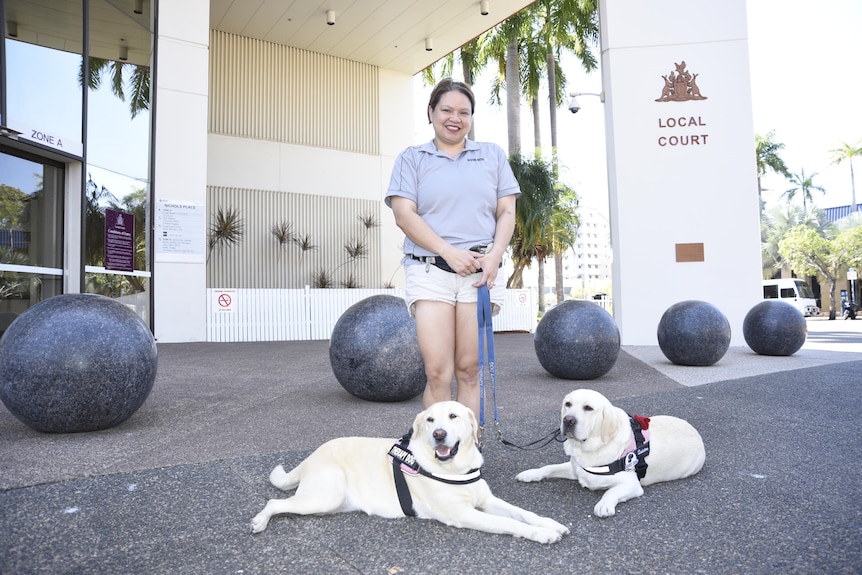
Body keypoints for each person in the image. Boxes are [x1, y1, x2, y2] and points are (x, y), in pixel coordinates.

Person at [385, 78, 520, 421]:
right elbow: (404, 214)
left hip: (481, 273)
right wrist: (449, 252)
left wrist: (494, 257)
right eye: (446, 109)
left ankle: (468, 450)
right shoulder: (412, 158)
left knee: (469, 370)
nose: (454, 118)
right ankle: (434, 455)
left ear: (471, 117)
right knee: (438, 373)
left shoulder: (491, 155)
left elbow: (506, 211)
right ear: (431, 112)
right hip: (430, 271)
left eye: (463, 112)